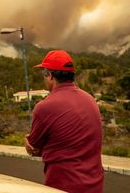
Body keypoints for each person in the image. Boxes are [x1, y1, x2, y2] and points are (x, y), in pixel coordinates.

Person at [25, 50, 103, 192]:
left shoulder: (44, 106)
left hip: (64, 186)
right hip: (95, 186)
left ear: (49, 75)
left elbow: (33, 147)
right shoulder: (90, 100)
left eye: (44, 74)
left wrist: (28, 144)